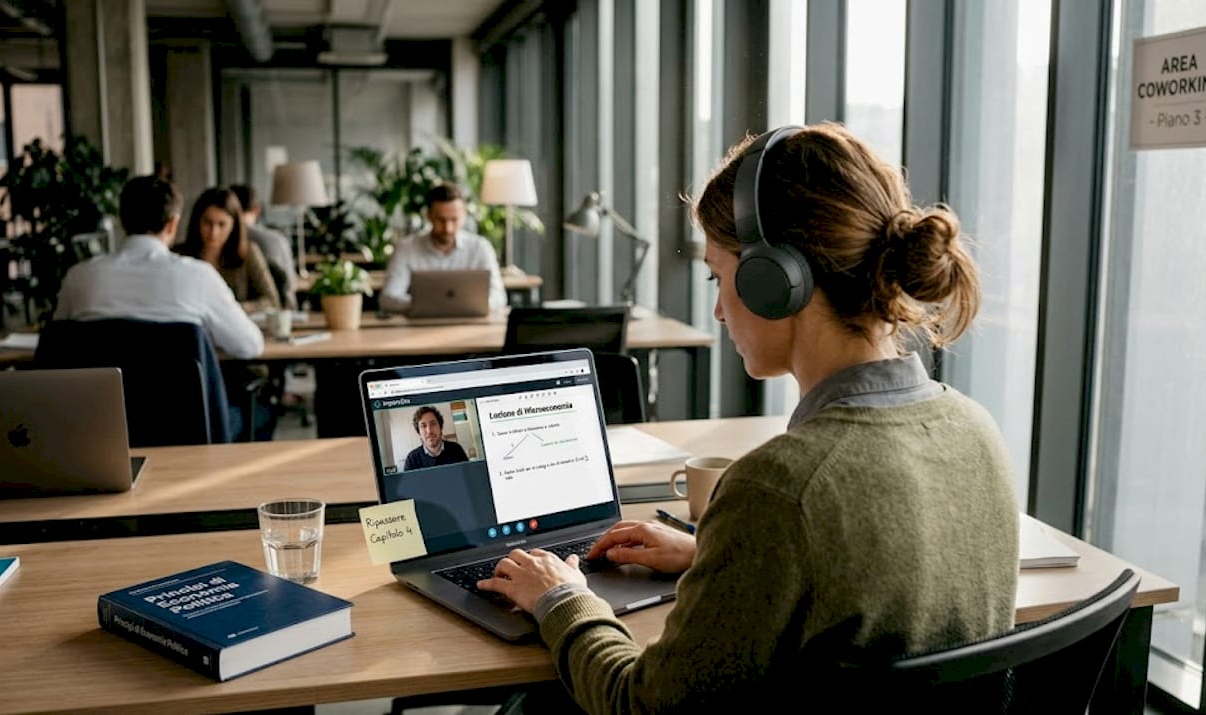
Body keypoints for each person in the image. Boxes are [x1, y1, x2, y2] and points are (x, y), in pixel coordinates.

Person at [475, 122, 1020, 712]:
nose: (716, 306)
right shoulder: (976, 429)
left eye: (718, 274)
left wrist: (561, 598)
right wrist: (716, 556)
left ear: (774, 281)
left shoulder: (780, 488)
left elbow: (639, 705)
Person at [53, 175, 263, 360]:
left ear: (122, 220)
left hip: (101, 404)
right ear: (173, 224)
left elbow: (57, 348)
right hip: (181, 405)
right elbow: (250, 345)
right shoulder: (199, 277)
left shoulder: (78, 277)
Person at [379, 182, 506, 315]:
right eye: (441, 220)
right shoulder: (406, 249)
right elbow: (388, 298)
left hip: (469, 325)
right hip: (420, 327)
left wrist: (463, 305)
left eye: (454, 220)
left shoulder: (480, 248)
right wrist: (432, 305)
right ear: (428, 216)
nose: (448, 228)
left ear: (464, 216)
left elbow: (499, 297)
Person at [176, 187, 282, 314]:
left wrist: (235, 309)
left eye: (222, 224)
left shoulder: (248, 252)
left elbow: (271, 300)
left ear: (234, 225)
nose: (214, 233)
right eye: (207, 223)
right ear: (197, 221)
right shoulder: (179, 256)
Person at [229, 183, 298, 310]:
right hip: (285, 311)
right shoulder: (277, 239)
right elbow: (291, 284)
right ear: (256, 209)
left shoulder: (234, 241)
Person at [403, 405, 470, 471]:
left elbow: (469, 477)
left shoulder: (456, 450)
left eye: (433, 424)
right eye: (423, 426)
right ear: (419, 433)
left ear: (440, 428)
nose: (429, 431)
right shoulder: (412, 460)